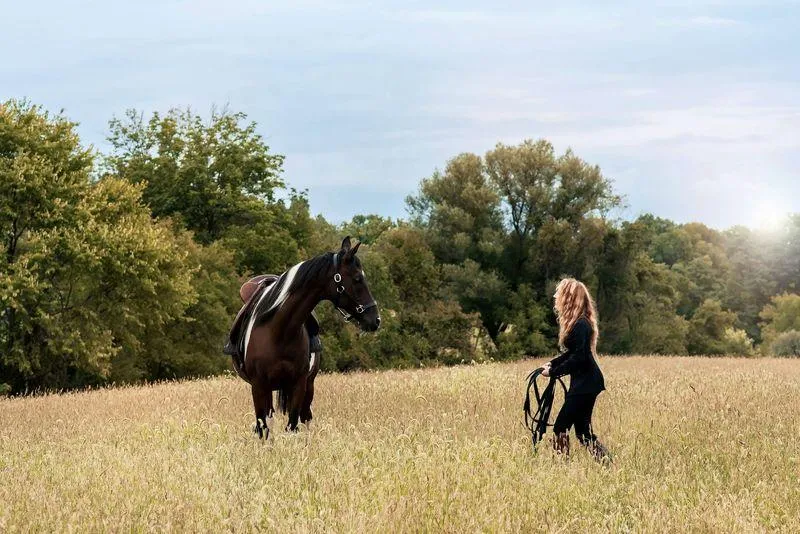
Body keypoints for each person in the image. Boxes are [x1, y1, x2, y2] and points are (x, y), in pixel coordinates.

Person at [540, 278, 611, 461]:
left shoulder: (580, 324)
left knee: (560, 428)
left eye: (560, 294)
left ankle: (563, 470)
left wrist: (553, 372)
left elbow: (579, 357)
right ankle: (608, 466)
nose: (557, 297)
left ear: (569, 298)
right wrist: (553, 364)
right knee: (582, 432)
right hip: (586, 383)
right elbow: (574, 353)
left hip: (585, 385)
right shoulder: (580, 323)